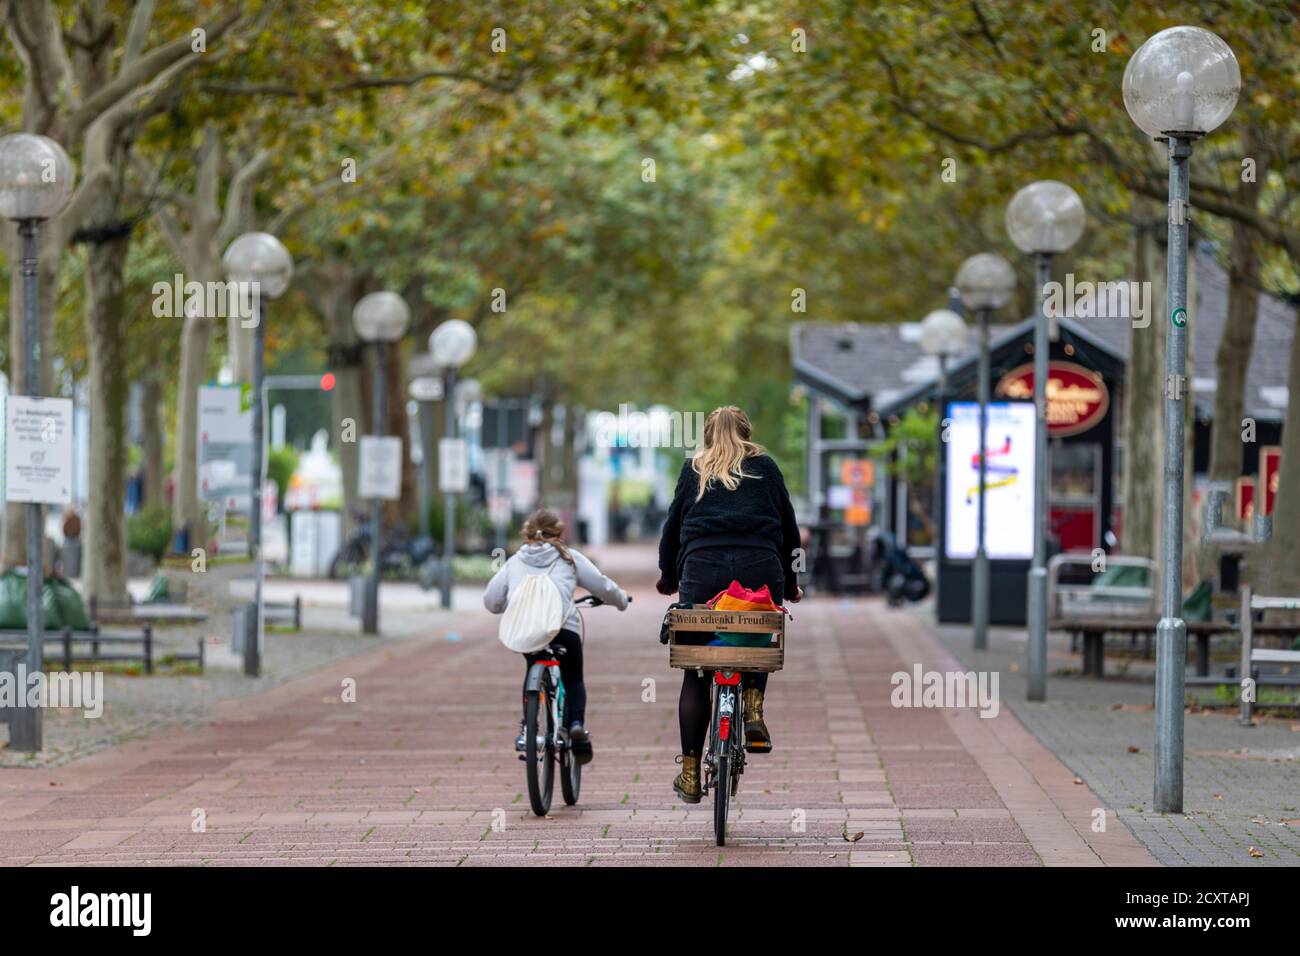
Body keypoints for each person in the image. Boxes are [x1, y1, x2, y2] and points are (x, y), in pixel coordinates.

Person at [656, 406, 802, 803]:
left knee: (695, 674)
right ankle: (753, 709)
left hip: (702, 570)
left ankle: (689, 772)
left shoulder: (695, 469)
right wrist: (790, 584)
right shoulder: (766, 468)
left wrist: (669, 577)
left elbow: (672, 528)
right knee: (756, 636)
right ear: (747, 432)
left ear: (707, 435)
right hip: (760, 566)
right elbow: (789, 530)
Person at [484, 508, 629, 764]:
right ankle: (575, 724)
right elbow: (602, 586)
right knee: (573, 679)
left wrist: (509, 603)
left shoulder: (515, 562)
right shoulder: (569, 557)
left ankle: (529, 728)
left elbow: (491, 601)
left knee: (532, 667)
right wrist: (621, 601)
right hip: (565, 630)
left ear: (527, 533)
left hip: (530, 632)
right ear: (560, 533)